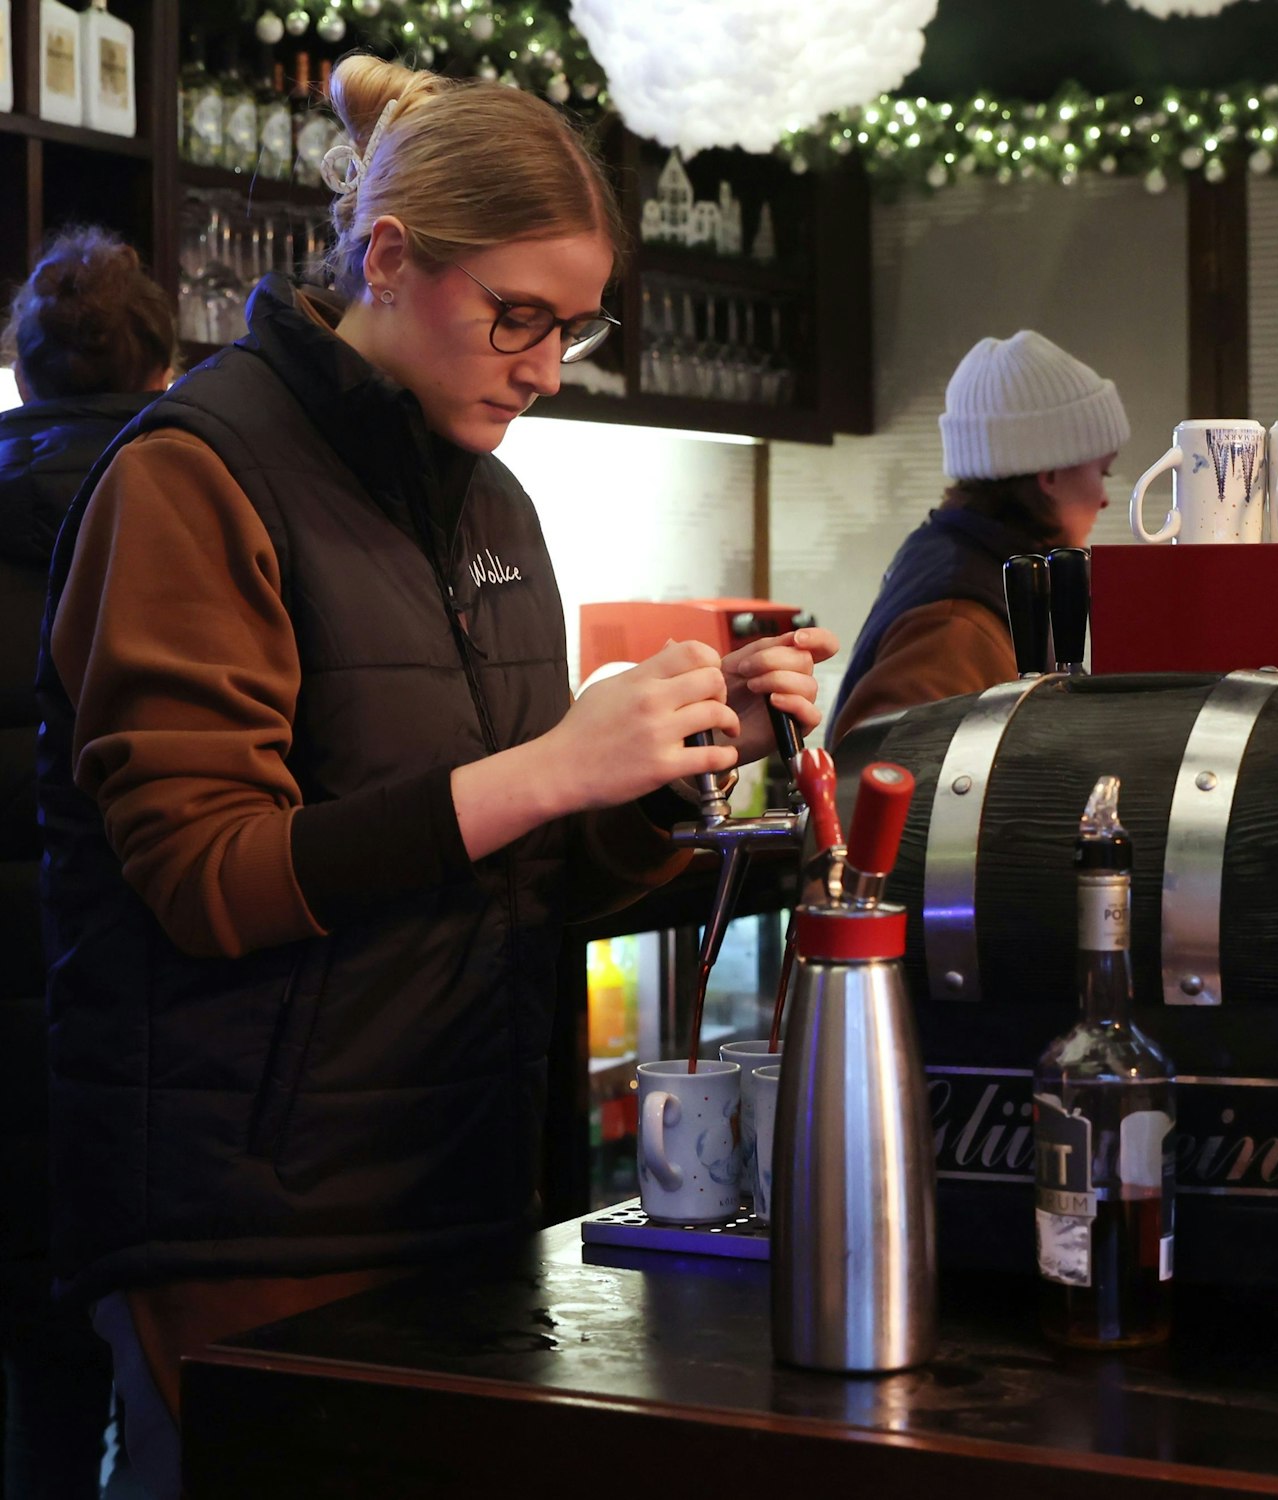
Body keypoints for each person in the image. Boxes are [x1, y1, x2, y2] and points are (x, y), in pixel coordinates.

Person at [34, 57, 833, 1498]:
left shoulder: (499, 504)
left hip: (459, 1190)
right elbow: (206, 879)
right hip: (247, 1225)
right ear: (390, 261)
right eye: (514, 314)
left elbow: (512, 876)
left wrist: (672, 771)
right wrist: (546, 767)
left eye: (569, 327)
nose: (540, 363)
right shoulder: (194, 477)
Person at [0, 228, 175, 1500]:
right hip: (141, 1045)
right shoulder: (191, 526)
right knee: (150, 1390)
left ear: (17, 376)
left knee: (28, 1397)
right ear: (164, 372)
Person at [828, 330, 1126, 745]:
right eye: (1103, 472)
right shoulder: (955, 620)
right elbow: (882, 774)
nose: (1105, 499)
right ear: (1051, 474)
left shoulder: (977, 568)